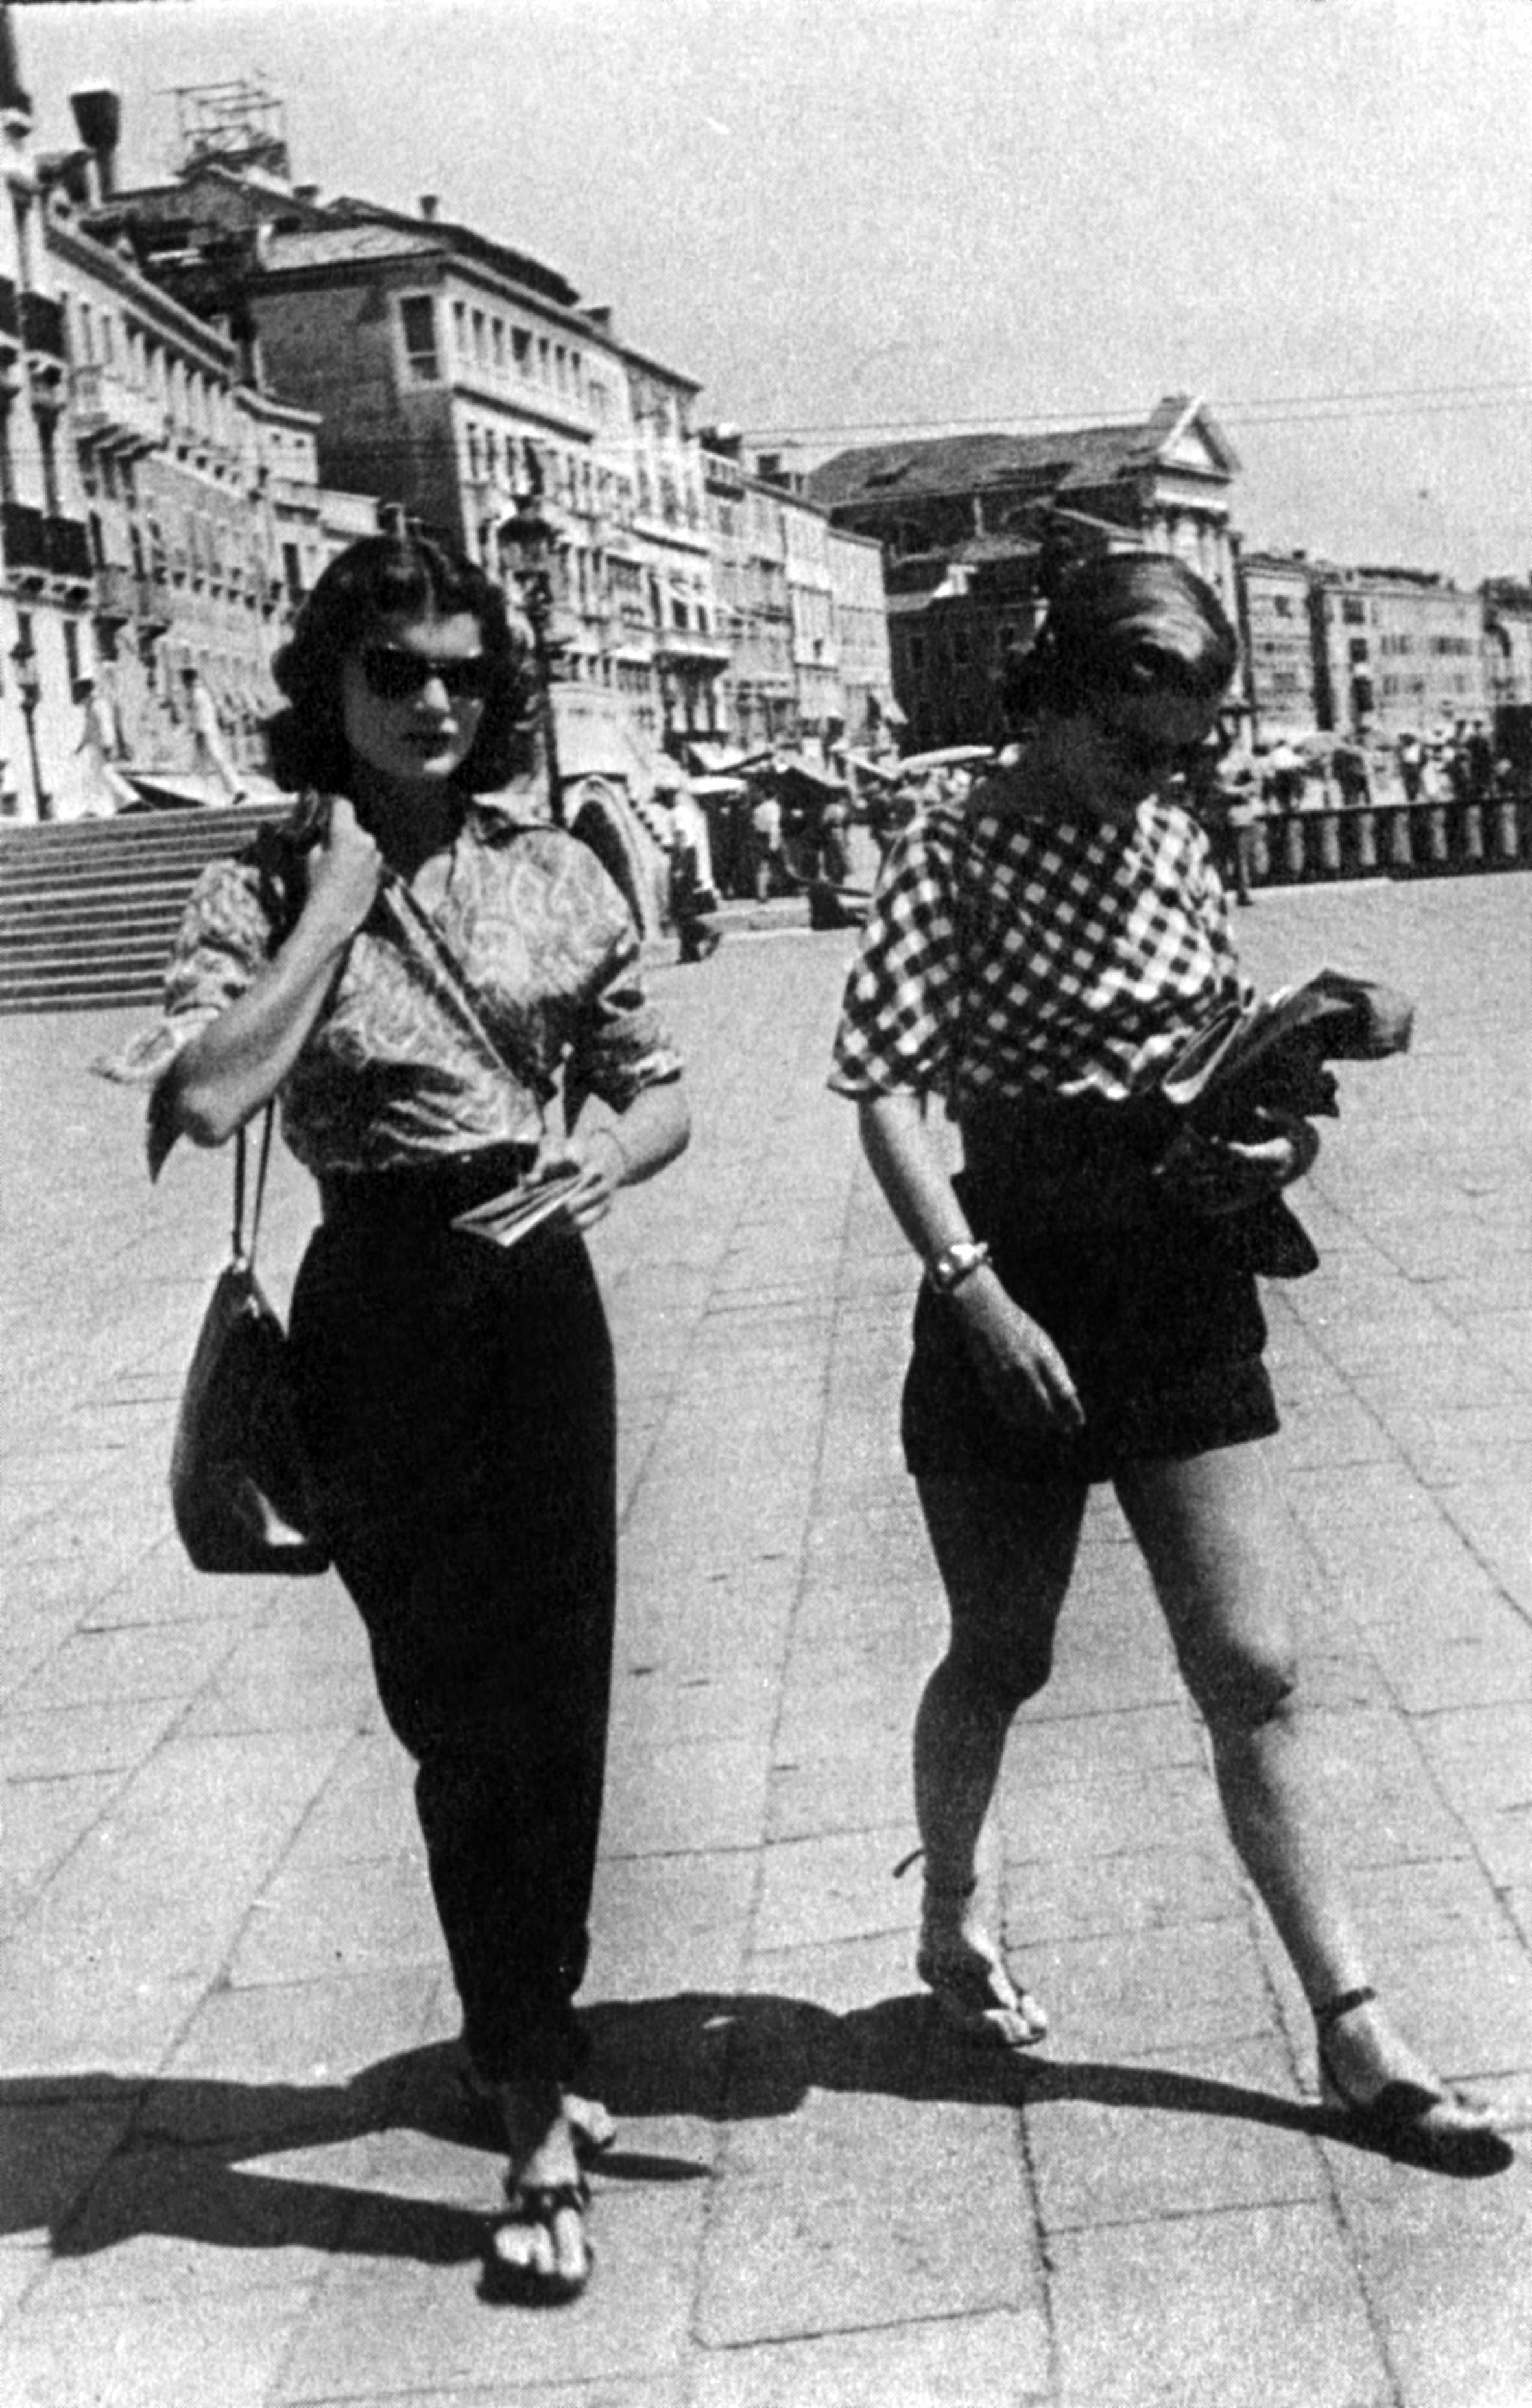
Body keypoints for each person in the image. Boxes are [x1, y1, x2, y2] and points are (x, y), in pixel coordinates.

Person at [829, 550, 1505, 2171]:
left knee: (1251, 1665)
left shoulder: (1180, 838)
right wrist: (975, 1294)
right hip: (1016, 1273)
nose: (1167, 777)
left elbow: (1214, 1047)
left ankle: (1353, 2030)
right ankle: (949, 1919)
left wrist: (1272, 1142)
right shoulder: (951, 851)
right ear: (1056, 694)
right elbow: (886, 1091)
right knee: (1000, 1651)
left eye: (1191, 750)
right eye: (1140, 744)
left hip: (1178, 1275)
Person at [104, 532, 691, 2297]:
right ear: (329, 690)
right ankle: (526, 2075)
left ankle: (531, 2044)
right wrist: (340, 909)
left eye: (460, 671)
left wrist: (606, 1154)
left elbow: (654, 1088)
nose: (434, 701)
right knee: (456, 1715)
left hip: (536, 1288)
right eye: (394, 672)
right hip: (377, 1307)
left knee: (560, 1697)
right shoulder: (258, 880)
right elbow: (206, 1096)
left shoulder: (557, 874)